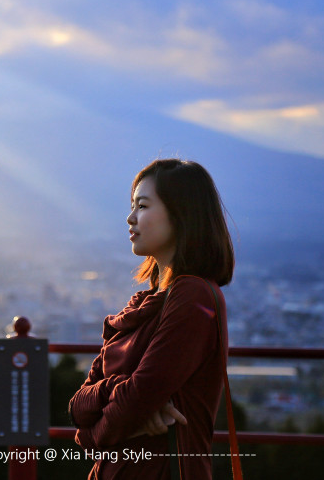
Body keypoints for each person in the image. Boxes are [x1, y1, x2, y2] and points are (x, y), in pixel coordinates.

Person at [68, 158, 235, 479]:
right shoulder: (141, 307)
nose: (130, 219)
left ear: (181, 213)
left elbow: (137, 395)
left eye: (142, 206)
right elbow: (79, 408)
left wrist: (105, 421)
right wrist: (116, 400)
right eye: (132, 206)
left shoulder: (193, 296)